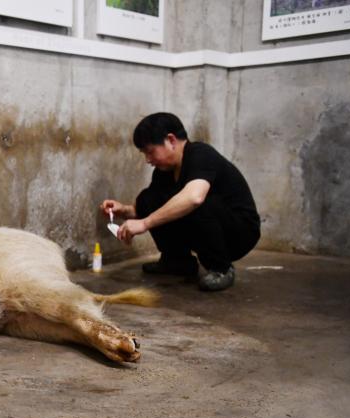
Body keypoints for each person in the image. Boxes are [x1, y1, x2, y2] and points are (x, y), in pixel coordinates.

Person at [99, 112, 260, 291]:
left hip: (239, 232)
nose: (147, 160)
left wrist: (145, 223)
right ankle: (177, 261)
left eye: (150, 151)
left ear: (171, 140)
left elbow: (194, 197)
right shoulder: (164, 171)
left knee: (195, 203)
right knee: (150, 198)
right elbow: (146, 207)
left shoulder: (201, 154)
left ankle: (221, 268)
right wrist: (123, 210)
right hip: (211, 225)